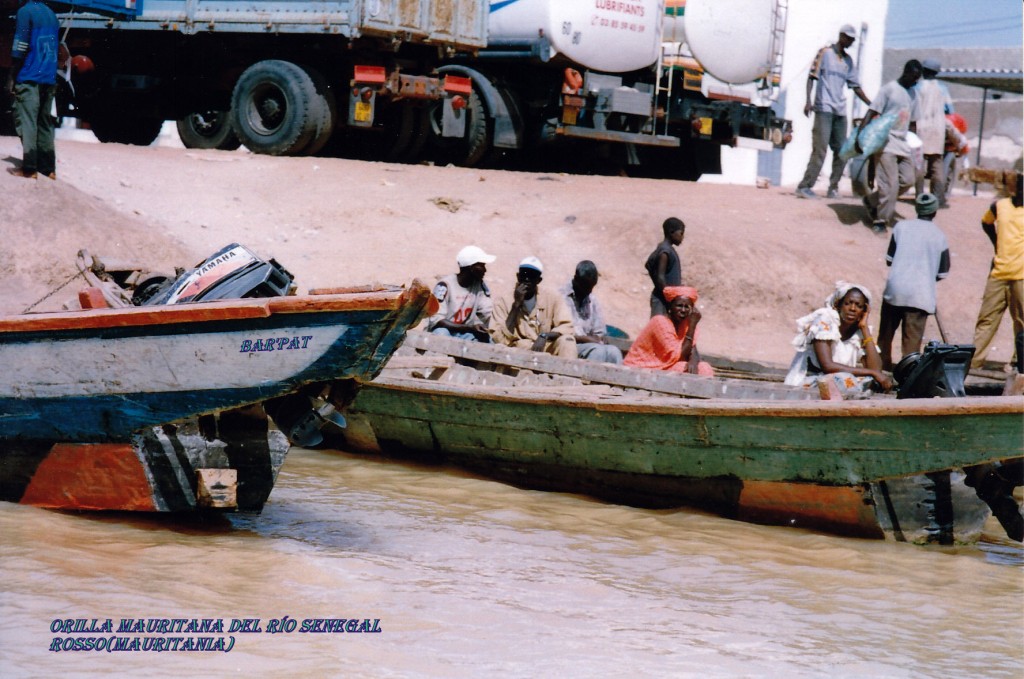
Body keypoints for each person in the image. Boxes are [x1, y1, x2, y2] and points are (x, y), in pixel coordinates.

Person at [794, 24, 872, 200]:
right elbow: (811, 77)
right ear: (841, 36)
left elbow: (855, 86)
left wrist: (871, 104)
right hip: (824, 108)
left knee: (843, 151)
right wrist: (808, 101)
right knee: (820, 150)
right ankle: (805, 186)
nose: (850, 42)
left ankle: (833, 188)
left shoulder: (848, 61)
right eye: (848, 38)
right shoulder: (825, 53)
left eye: (852, 40)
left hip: (840, 111)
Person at [877, 193, 951, 370]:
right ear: (934, 212)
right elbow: (942, 273)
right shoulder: (939, 236)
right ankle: (907, 375)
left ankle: (879, 368)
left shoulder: (901, 227)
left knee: (885, 337)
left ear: (917, 209)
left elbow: (890, 259)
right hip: (920, 295)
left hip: (895, 290)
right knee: (911, 345)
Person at [784, 282, 892, 396]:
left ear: (864, 311)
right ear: (838, 305)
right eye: (847, 303)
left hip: (840, 380)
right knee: (844, 380)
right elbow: (828, 366)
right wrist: (872, 373)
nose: (853, 308)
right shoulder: (825, 320)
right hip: (811, 382)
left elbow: (876, 369)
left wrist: (864, 328)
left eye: (859, 306)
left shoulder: (860, 331)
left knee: (874, 381)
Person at [858, 60, 922, 234]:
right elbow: (872, 112)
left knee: (908, 180)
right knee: (890, 185)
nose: (916, 81)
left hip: (903, 143)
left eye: (918, 79)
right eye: (914, 77)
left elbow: (913, 123)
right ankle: (880, 220)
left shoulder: (914, 94)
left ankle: (871, 200)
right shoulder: (889, 89)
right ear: (906, 73)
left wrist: (914, 144)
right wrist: (860, 136)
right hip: (886, 142)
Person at [970, 173, 1023, 371]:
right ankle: (974, 363)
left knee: (1021, 322)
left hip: (1021, 275)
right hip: (999, 273)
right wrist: (996, 245)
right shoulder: (999, 206)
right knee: (987, 319)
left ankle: (1019, 363)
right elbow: (986, 222)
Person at [6, 0, 59, 180]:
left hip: (29, 76)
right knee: (45, 123)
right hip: (48, 76)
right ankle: (48, 169)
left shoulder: (25, 12)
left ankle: (29, 168)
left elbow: (20, 46)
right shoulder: (51, 13)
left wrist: (11, 76)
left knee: (27, 121)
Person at [490, 256, 577, 358]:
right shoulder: (502, 301)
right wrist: (516, 305)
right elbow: (499, 338)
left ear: (538, 280)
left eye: (531, 276)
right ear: (518, 276)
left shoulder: (552, 297)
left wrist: (544, 336)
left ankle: (566, 369)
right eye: (523, 275)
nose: (526, 279)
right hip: (517, 350)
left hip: (544, 347)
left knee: (567, 341)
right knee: (501, 347)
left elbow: (567, 327)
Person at [623, 286, 714, 376]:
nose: (683, 310)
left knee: (704, 368)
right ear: (670, 306)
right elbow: (678, 355)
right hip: (642, 368)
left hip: (665, 366)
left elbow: (693, 351)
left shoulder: (685, 325)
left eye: (687, 307)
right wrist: (692, 326)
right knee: (683, 369)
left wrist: (693, 361)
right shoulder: (660, 322)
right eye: (679, 306)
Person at [426, 245, 496, 342]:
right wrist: (469, 328)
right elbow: (437, 321)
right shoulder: (445, 285)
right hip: (444, 331)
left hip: (465, 334)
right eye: (482, 266)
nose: (485, 270)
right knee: (441, 333)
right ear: (471, 268)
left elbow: (486, 312)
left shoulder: (479, 286)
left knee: (487, 340)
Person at [561, 260, 623, 364]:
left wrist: (598, 338)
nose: (589, 291)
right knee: (598, 351)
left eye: (591, 287)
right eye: (585, 287)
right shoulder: (560, 297)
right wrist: (586, 339)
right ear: (576, 279)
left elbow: (599, 331)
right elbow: (561, 331)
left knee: (614, 352)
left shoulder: (592, 300)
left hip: (591, 345)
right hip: (569, 346)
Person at [913, 59, 955, 208]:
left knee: (919, 164)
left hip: (920, 128)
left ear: (923, 71)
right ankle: (938, 198)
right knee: (937, 165)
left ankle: (919, 197)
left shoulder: (917, 87)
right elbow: (950, 111)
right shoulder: (943, 88)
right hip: (938, 130)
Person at [645, 217, 684, 317]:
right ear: (671, 232)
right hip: (662, 300)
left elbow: (648, 265)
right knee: (659, 324)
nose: (682, 237)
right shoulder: (665, 251)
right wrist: (670, 296)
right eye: (681, 233)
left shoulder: (665, 249)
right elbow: (660, 277)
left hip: (667, 299)